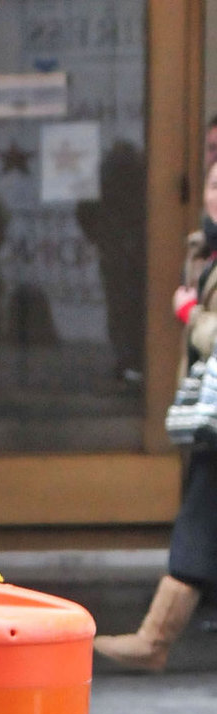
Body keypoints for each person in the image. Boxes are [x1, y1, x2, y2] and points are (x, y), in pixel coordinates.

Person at [95, 155, 217, 672]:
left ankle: (153, 641)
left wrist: (192, 316)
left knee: (198, 518)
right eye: (212, 183)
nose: (214, 194)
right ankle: (154, 640)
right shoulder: (204, 250)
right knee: (200, 516)